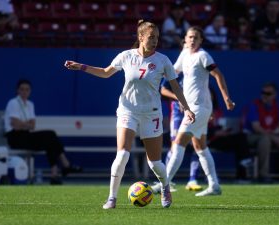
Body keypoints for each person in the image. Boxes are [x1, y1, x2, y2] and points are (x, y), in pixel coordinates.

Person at [64, 20, 195, 209]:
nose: (155, 40)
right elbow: (105, 73)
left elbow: (175, 86)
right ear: (140, 37)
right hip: (128, 111)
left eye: (157, 37)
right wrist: (81, 66)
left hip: (151, 114)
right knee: (123, 154)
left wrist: (187, 108)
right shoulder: (126, 56)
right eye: (151, 37)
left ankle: (165, 186)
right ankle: (112, 198)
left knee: (155, 163)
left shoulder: (163, 60)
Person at [152, 26, 235, 196]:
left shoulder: (203, 56)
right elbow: (173, 72)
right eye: (189, 37)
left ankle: (164, 184)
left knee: (179, 143)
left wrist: (226, 97)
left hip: (199, 107)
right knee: (201, 147)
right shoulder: (184, 54)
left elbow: (218, 75)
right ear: (185, 38)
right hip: (193, 108)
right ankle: (214, 185)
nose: (192, 40)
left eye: (195, 38)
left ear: (201, 41)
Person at [4, 79, 82, 185]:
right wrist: (26, 124)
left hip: (26, 135)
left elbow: (32, 125)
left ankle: (55, 175)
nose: (24, 92)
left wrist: (23, 124)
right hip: (15, 138)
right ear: (17, 91)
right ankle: (65, 166)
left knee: (50, 141)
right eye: (22, 89)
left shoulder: (30, 104)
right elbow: (16, 125)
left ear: (30, 91)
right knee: (51, 136)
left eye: (27, 90)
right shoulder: (13, 103)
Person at [158, 76, 203, 192]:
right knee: (175, 146)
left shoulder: (196, 70)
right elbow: (163, 90)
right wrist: (179, 99)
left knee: (196, 144)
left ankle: (193, 180)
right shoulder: (175, 70)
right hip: (178, 112)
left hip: (194, 111)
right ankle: (166, 182)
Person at [242, 82, 279, 183]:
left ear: (275, 95)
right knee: (265, 139)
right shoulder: (254, 105)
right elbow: (256, 128)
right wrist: (274, 138)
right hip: (249, 136)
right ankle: (263, 175)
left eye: (268, 93)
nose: (265, 95)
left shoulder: (277, 107)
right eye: (263, 93)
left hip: (269, 135)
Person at [208, 87, 252, 181]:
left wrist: (224, 131)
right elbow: (197, 128)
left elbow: (219, 124)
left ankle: (242, 176)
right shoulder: (198, 109)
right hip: (207, 140)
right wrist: (215, 132)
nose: (208, 96)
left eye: (210, 94)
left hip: (219, 138)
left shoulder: (217, 110)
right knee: (239, 143)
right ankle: (246, 159)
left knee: (241, 139)